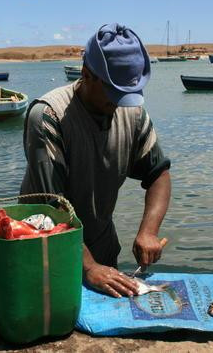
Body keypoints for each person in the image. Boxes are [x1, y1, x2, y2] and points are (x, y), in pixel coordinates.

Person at [20, 23, 171, 298]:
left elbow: (158, 174)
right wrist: (88, 267)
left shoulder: (133, 113)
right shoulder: (48, 117)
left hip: (101, 249)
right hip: (44, 250)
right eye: (113, 92)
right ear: (86, 74)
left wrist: (149, 231)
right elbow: (51, 209)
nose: (120, 102)